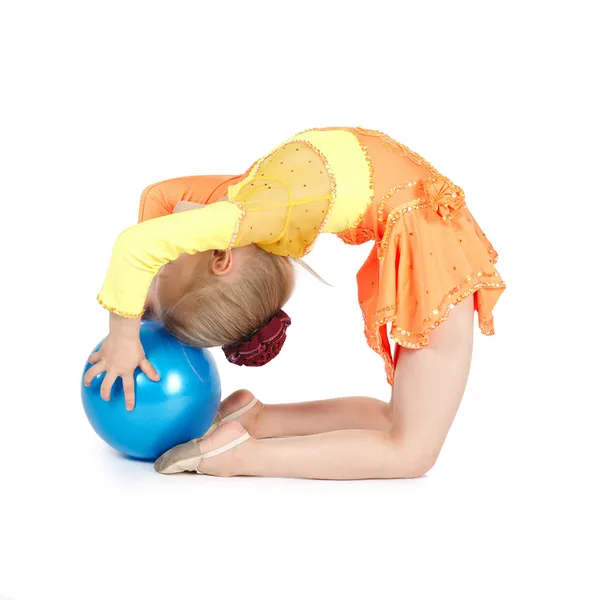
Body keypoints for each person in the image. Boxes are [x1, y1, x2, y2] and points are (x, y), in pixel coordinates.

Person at [84, 126, 505, 479]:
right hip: (434, 240)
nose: (164, 251)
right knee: (412, 452)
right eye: (164, 266)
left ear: (221, 256)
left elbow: (150, 216)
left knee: (395, 423)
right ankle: (240, 457)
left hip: (427, 231)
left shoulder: (241, 206)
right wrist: (143, 317)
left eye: (159, 268)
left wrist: (129, 329)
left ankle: (255, 419)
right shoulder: (243, 212)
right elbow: (142, 241)